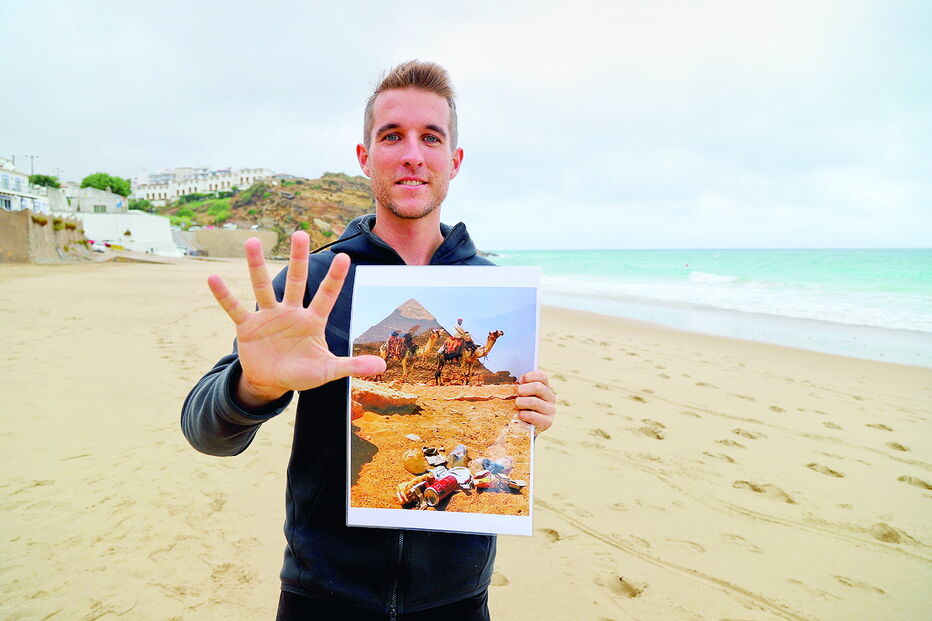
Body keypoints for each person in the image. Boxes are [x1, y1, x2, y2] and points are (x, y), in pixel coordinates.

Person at [181, 60, 557, 620]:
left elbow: (493, 439)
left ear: (453, 161)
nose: (412, 154)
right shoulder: (312, 285)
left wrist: (527, 414)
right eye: (392, 136)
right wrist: (252, 385)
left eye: (431, 138)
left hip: (455, 598)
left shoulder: (490, 286)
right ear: (364, 157)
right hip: (322, 593)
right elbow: (206, 433)